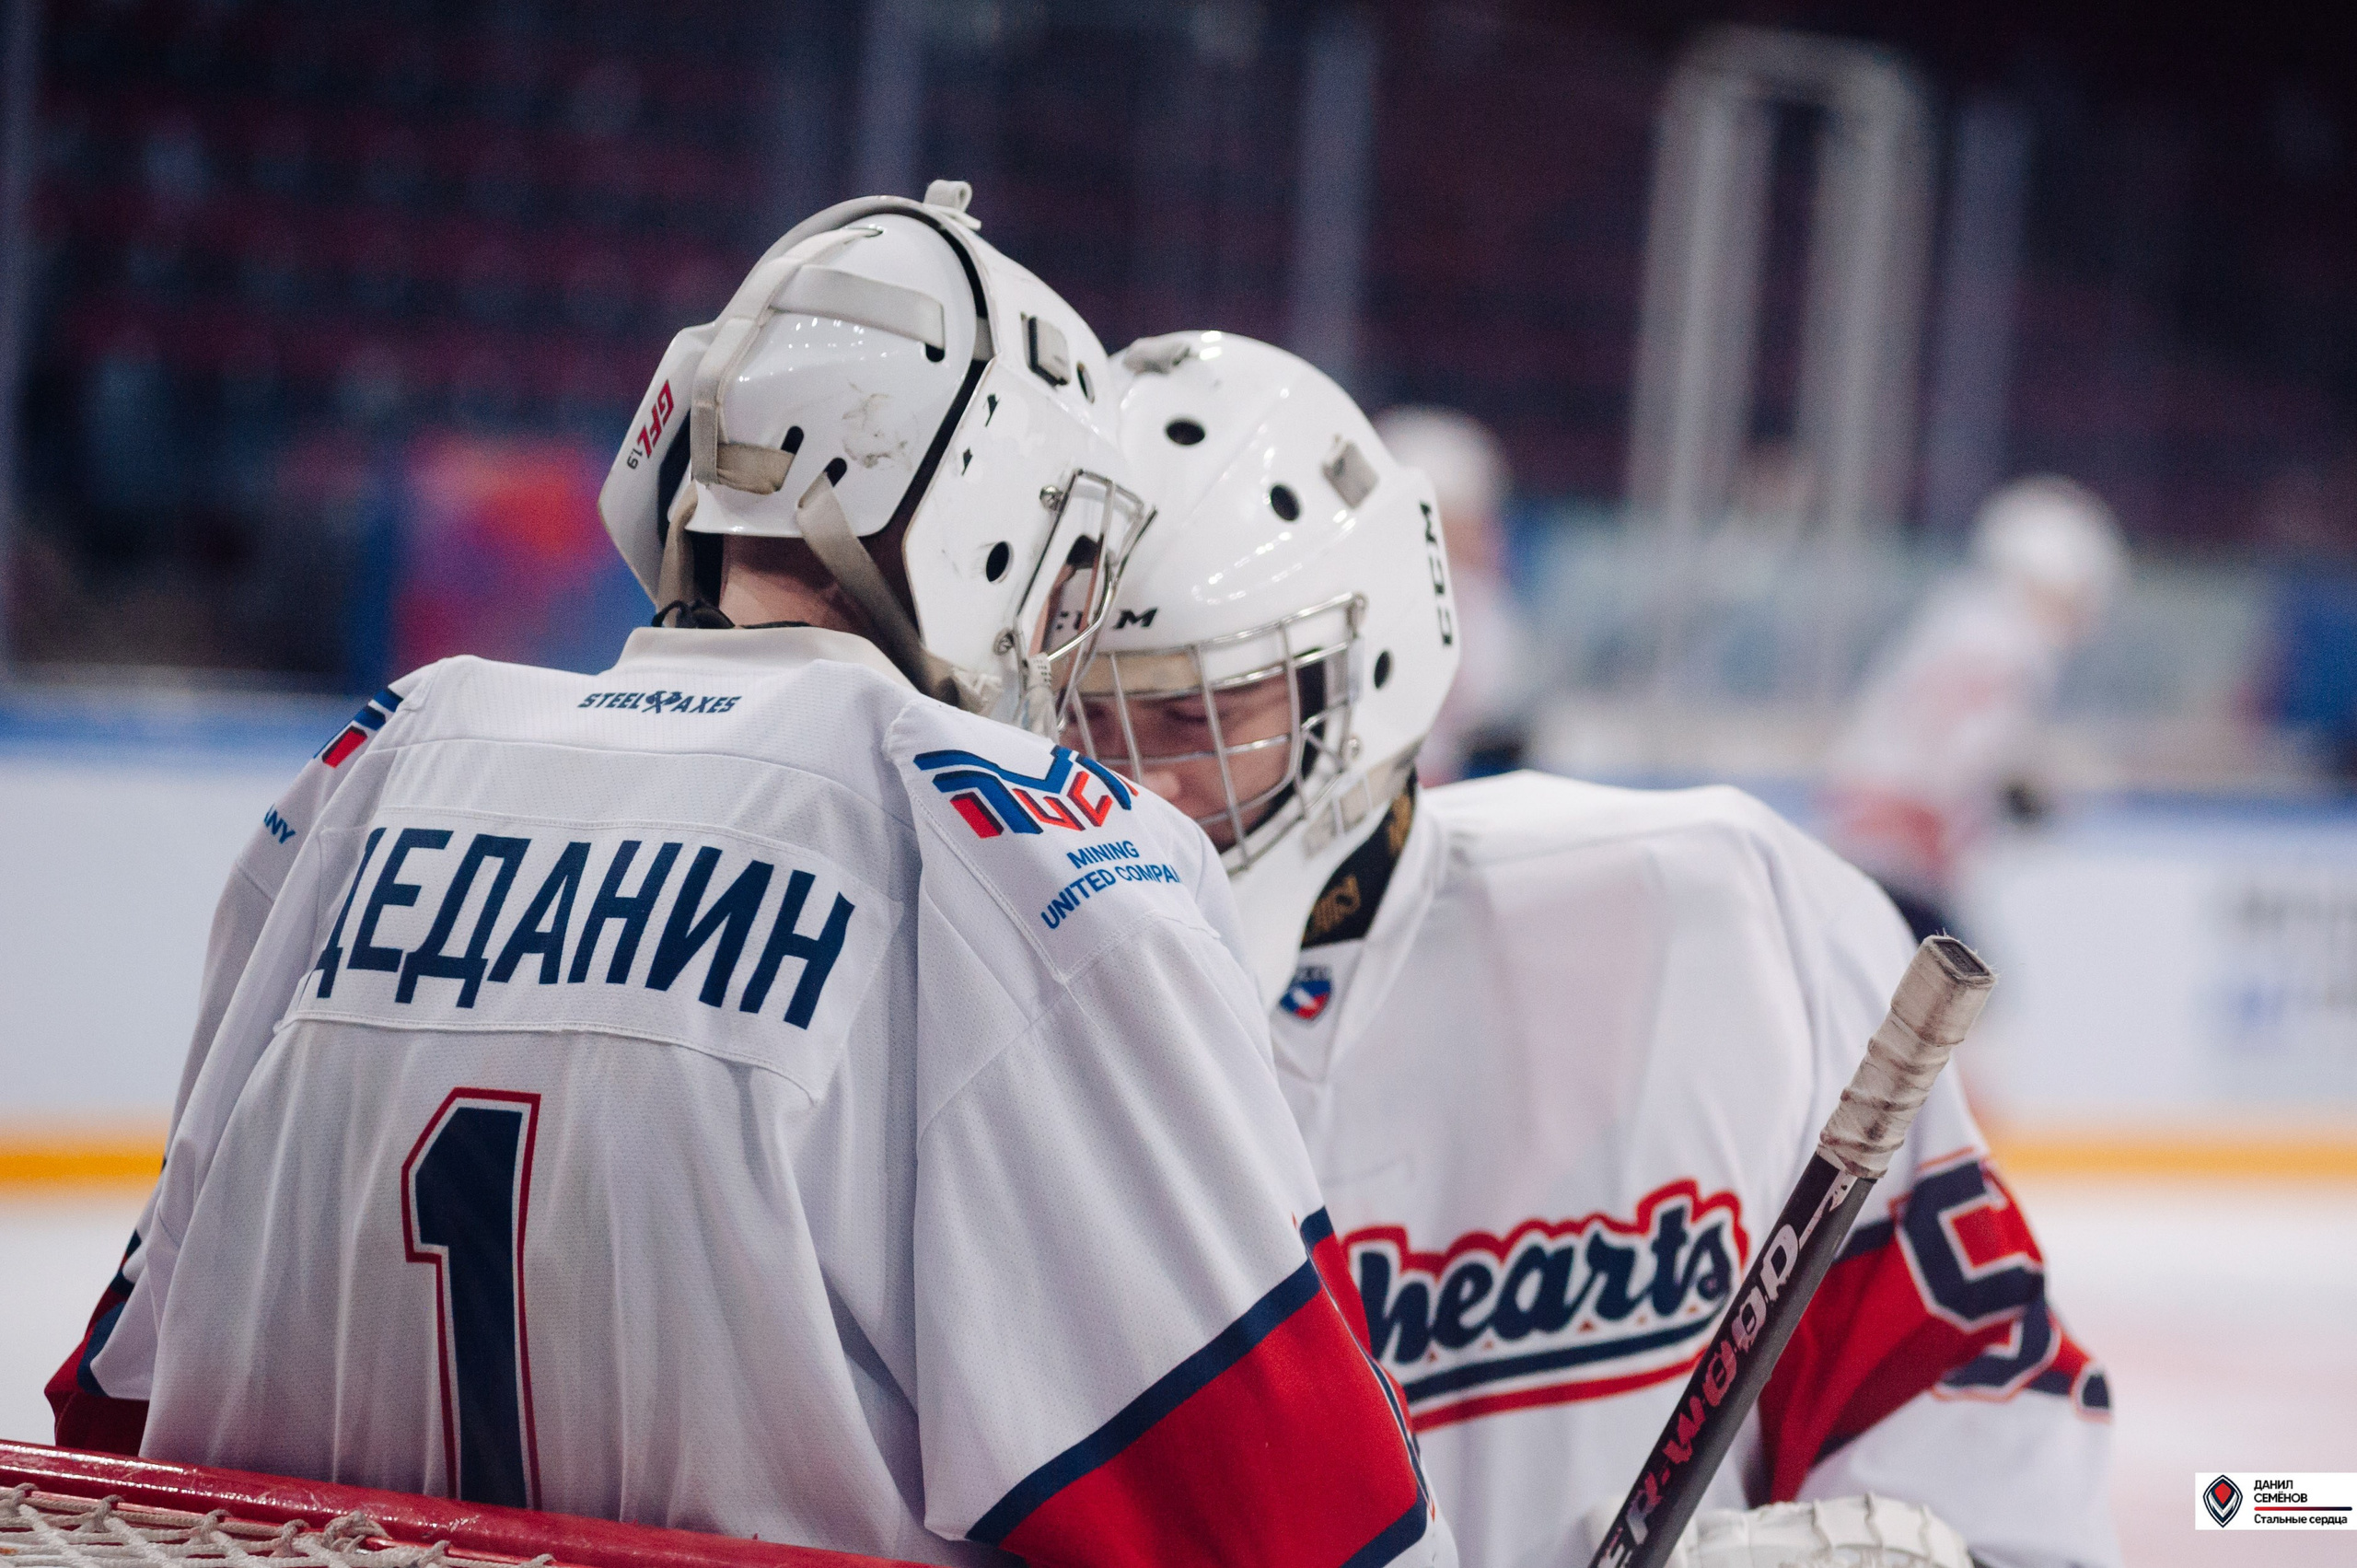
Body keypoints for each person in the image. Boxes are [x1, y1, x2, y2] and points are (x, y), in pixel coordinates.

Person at [49, 191, 1451, 1568]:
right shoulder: (1009, 839)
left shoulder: (388, 754)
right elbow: (1303, 1523)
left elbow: (111, 1426)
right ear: (992, 525)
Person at [1071, 331, 2117, 1568]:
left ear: (1374, 662)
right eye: (1079, 711)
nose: (1141, 781)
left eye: (1200, 710)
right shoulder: (992, 1003)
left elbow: (1970, 1376)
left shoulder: (1726, 918)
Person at [1817, 478, 2129, 940]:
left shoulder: (1957, 619)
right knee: (1959, 1002)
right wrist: (2041, 792)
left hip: (1865, 839)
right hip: (1902, 852)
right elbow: (1975, 758)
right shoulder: (2017, 646)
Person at [1369, 407, 1532, 783]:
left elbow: (1492, 701)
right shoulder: (1363, 597)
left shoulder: (1478, 603)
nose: (1484, 534)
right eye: (1464, 516)